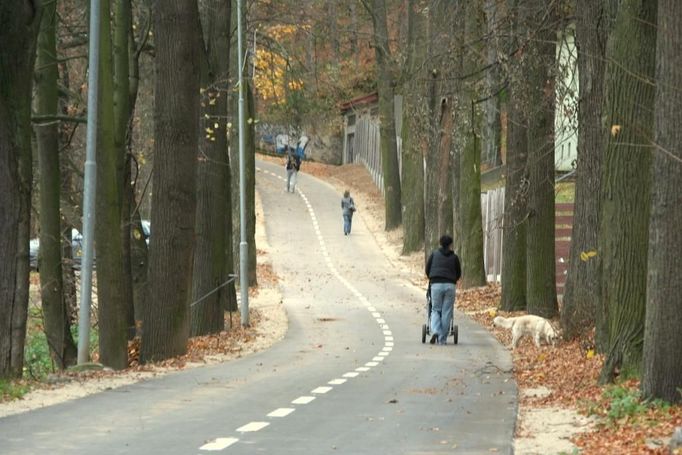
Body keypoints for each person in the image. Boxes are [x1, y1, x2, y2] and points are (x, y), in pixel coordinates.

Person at [425, 235, 462, 345]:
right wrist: (453, 280)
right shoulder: (454, 257)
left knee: (436, 309)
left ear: (440, 243)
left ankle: (436, 330)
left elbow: (427, 269)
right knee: (447, 312)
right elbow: (458, 272)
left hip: (436, 284)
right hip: (450, 285)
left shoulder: (434, 254)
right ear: (450, 245)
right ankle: (442, 339)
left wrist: (432, 278)